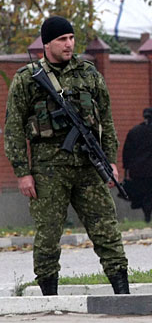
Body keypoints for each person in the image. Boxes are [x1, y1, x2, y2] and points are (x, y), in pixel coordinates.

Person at [3, 16, 130, 295]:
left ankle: (122, 291)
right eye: (62, 39)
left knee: (106, 229)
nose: (69, 44)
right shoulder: (27, 79)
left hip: (88, 166)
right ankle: (49, 296)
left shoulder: (89, 74)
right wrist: (23, 172)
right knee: (48, 234)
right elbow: (13, 129)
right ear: (47, 44)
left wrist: (110, 160)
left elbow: (106, 121)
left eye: (71, 38)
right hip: (49, 169)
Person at [122, 107, 152, 223]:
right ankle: (148, 215)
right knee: (151, 194)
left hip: (137, 170)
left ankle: (146, 215)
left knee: (141, 194)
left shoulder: (134, 131)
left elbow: (126, 151)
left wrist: (126, 168)